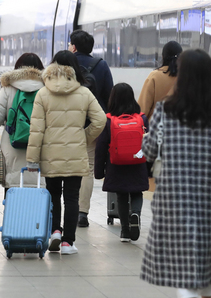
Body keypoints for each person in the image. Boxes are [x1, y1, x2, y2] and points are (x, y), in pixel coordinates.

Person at [140, 49, 211, 298]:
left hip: (172, 194)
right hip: (208, 194)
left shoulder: (167, 111)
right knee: (206, 250)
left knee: (180, 252)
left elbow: (149, 151)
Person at [26, 50, 106, 255]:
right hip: (75, 154)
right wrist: (83, 137)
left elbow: (36, 130)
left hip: (50, 155)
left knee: (53, 195)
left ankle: (55, 232)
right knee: (71, 199)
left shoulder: (42, 94)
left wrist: (32, 160)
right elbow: (100, 120)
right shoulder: (84, 92)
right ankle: (68, 243)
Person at [0, 53, 46, 192]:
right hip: (40, 144)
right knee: (38, 185)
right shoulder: (46, 88)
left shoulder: (8, 88)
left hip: (13, 144)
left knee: (13, 182)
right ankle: (37, 212)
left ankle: (12, 212)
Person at [69, 29, 114, 228]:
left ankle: (65, 209)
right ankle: (82, 212)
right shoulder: (101, 65)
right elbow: (109, 96)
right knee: (87, 168)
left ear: (74, 46)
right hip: (92, 123)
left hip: (67, 123)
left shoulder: (63, 65)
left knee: (64, 166)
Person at [95, 83, 149, 242]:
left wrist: (99, 171)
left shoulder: (109, 120)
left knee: (122, 195)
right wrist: (150, 168)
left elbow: (101, 147)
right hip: (138, 162)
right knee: (137, 192)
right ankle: (135, 215)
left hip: (116, 164)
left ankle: (125, 231)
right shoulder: (142, 118)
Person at [138, 41, 183, 118]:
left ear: (162, 57)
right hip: (180, 128)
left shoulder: (154, 76)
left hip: (155, 127)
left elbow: (142, 110)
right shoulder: (185, 77)